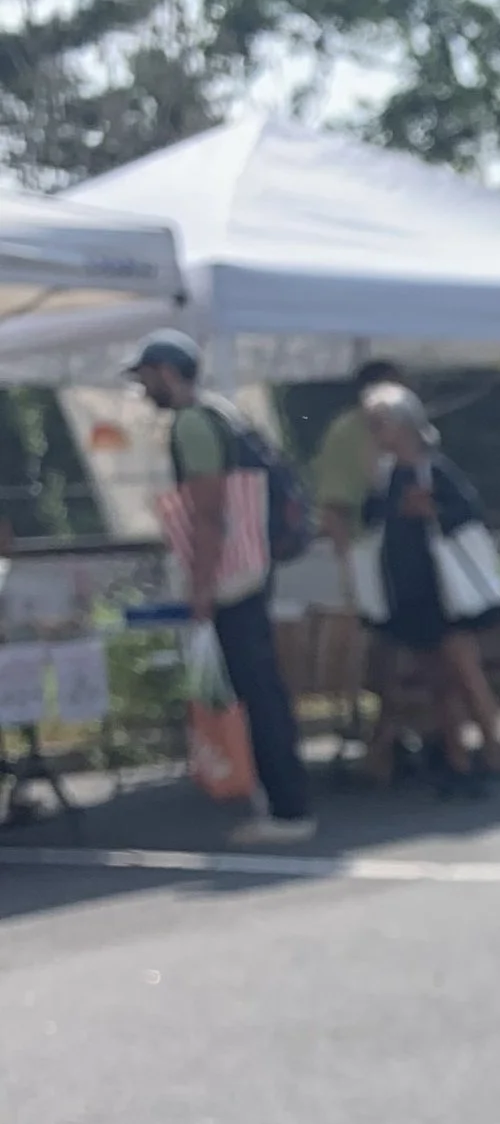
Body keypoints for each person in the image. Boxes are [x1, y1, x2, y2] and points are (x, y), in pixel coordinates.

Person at [129, 327, 314, 844]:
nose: (143, 387)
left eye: (145, 375)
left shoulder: (191, 424)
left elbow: (209, 513)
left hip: (233, 572)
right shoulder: (224, 414)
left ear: (166, 372)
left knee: (254, 689)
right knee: (262, 686)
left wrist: (201, 586)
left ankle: (286, 808)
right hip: (257, 563)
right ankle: (284, 800)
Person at [361, 382, 500, 798]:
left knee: (466, 675)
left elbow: (468, 515)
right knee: (436, 683)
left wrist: (433, 511)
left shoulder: (437, 469)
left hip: (447, 592)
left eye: (380, 423)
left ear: (404, 424)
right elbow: (371, 522)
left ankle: (495, 759)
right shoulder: (385, 478)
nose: (374, 432)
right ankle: (457, 759)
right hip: (409, 594)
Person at [314, 357, 401, 554]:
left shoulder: (409, 429)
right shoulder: (346, 432)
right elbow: (334, 503)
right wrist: (346, 561)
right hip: (366, 544)